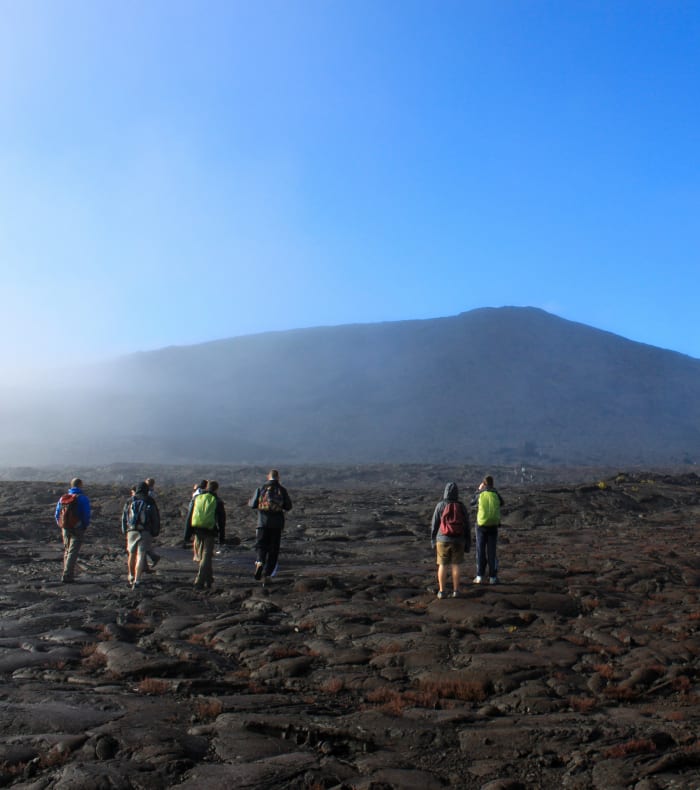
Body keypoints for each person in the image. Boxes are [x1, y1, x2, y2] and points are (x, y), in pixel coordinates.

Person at [249, 469, 292, 586]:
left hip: (262, 523)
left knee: (261, 545)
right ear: (278, 477)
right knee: (273, 550)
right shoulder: (282, 490)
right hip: (276, 525)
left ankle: (259, 562)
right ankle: (267, 575)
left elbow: (252, 504)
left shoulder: (261, 488)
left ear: (268, 477)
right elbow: (288, 506)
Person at [430, 482, 470, 599]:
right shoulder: (461, 506)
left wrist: (433, 541)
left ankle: (442, 592)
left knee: (442, 565)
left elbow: (434, 524)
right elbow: (467, 525)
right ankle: (456, 591)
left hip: (442, 540)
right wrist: (468, 543)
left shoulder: (440, 505)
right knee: (456, 565)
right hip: (459, 540)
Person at [184, 480, 226, 590]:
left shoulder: (197, 498)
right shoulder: (217, 501)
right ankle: (199, 581)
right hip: (209, 531)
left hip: (197, 530)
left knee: (202, 557)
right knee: (206, 556)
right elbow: (222, 521)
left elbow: (189, 516)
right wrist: (222, 537)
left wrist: (187, 535)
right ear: (216, 489)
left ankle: (208, 579)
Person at [121, 481, 160, 589]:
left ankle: (131, 576)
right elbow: (155, 517)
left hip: (131, 531)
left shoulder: (129, 501)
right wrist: (155, 531)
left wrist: (125, 530)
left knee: (131, 554)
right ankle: (137, 580)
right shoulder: (149, 501)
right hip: (145, 531)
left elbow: (124, 517)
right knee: (141, 555)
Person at [55, 477, 91, 583]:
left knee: (67, 550)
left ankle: (66, 572)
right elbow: (86, 514)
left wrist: (61, 524)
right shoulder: (82, 498)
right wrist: (84, 525)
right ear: (80, 485)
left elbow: (57, 513)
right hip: (77, 527)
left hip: (65, 527)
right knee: (73, 551)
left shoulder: (63, 498)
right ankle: (67, 575)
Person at [471, 474, 505, 584]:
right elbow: (502, 503)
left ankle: (480, 576)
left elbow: (472, 503)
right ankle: (493, 578)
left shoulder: (480, 494)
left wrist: (478, 490)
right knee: (492, 552)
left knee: (480, 550)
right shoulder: (495, 493)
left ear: (484, 484)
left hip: (481, 526)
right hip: (493, 526)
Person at [183, 480, 208, 561]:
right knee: (200, 538)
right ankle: (199, 555)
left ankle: (197, 555)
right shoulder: (202, 494)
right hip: (200, 518)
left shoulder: (196, 492)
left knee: (197, 538)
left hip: (196, 518)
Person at [143, 477, 161, 570]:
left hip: (146, 522)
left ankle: (152, 559)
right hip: (150, 522)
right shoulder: (152, 493)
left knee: (143, 546)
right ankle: (146, 564)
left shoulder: (147, 494)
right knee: (144, 545)